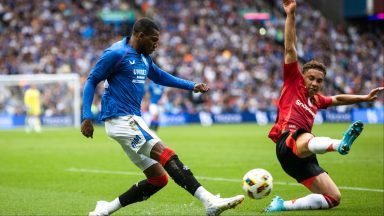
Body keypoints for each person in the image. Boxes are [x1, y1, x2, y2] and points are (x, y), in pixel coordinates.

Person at [81, 17, 244, 216]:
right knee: (165, 153)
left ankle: (104, 209)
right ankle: (209, 201)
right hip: (121, 118)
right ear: (140, 36)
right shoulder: (117, 53)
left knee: (158, 179)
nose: (156, 44)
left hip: (131, 119)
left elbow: (159, 76)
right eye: (153, 39)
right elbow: (91, 81)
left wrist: (191, 85)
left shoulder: (144, 57)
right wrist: (86, 116)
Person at [265, 0, 384, 212]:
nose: (315, 83)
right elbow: (290, 47)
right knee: (306, 137)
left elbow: (337, 99)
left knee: (333, 197)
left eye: (319, 81)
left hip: (302, 158)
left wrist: (365, 98)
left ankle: (282, 205)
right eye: (311, 78)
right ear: (303, 76)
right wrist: (290, 15)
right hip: (287, 143)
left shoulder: (318, 100)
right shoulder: (293, 82)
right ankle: (341, 144)